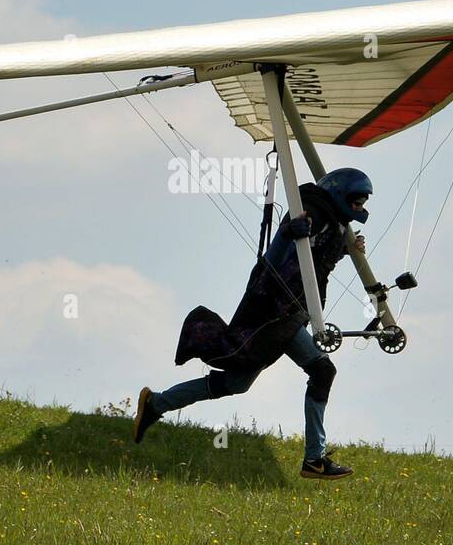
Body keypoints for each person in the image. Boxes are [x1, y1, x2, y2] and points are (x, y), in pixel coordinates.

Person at [133, 168, 372, 480]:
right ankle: (314, 459)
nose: (361, 205)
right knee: (322, 370)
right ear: (341, 194)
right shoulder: (311, 211)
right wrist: (287, 234)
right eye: (357, 199)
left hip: (290, 312)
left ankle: (155, 403)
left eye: (364, 201)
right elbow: (273, 259)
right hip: (273, 311)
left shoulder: (334, 225)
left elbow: (314, 265)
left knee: (237, 383)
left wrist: (344, 248)